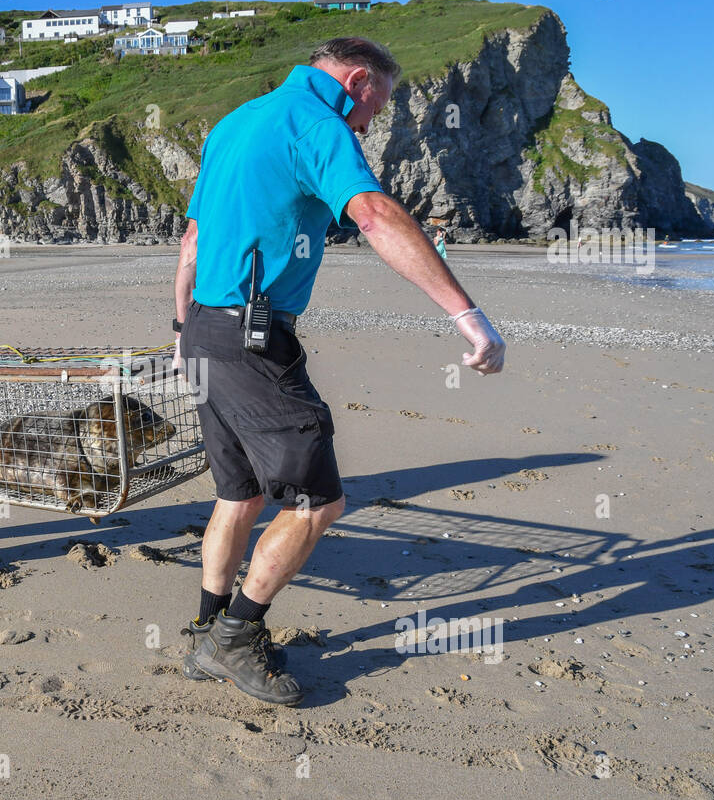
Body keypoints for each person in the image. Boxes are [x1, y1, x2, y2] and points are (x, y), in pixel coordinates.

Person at [173, 37, 505, 705]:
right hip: (250, 338)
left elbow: (194, 240)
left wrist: (183, 331)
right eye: (374, 108)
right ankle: (234, 641)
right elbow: (375, 215)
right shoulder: (317, 122)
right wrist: (467, 315)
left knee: (239, 494)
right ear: (357, 81)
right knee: (317, 502)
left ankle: (208, 629)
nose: (369, 124)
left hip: (206, 329)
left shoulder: (236, 121)